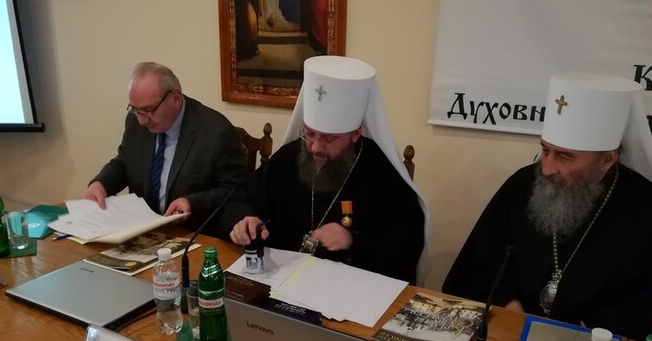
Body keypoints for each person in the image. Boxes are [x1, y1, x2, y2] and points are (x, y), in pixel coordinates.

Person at [443, 74, 652, 340]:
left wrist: (578, 330)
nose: (547, 168)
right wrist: (508, 303)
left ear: (607, 160)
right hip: (509, 334)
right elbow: (474, 269)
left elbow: (643, 308)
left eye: (565, 156)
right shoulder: (522, 185)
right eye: (545, 150)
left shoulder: (644, 207)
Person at [219, 55, 429, 284]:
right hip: (282, 281)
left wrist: (353, 241)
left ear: (355, 135)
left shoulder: (381, 171)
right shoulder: (289, 158)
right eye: (309, 134)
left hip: (350, 288)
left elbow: (406, 245)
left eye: (329, 139)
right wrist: (243, 220)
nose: (315, 147)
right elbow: (240, 198)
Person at [84, 62, 246, 234]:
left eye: (148, 110)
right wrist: (101, 184)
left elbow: (236, 191)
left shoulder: (216, 132)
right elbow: (124, 162)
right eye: (135, 110)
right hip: (141, 231)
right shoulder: (135, 121)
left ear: (175, 97)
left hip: (191, 235)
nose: (142, 120)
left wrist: (192, 203)